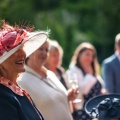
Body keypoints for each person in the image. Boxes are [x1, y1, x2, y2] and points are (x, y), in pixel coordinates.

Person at [17, 39, 79, 120]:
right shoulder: (22, 81)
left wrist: (67, 97)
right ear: (30, 51)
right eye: (41, 49)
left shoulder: (51, 74)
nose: (44, 53)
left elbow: (53, 101)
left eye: (47, 50)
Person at [0, 21, 48, 120]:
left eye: (22, 47)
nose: (22, 53)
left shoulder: (16, 90)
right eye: (14, 51)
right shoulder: (2, 96)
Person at [66, 42, 105, 120]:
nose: (90, 58)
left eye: (92, 56)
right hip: (83, 113)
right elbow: (82, 91)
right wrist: (90, 75)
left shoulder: (92, 71)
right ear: (79, 55)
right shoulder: (72, 72)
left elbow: (100, 87)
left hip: (97, 112)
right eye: (87, 54)